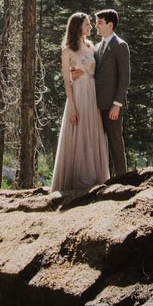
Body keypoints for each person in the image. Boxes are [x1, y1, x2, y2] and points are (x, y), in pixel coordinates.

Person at [50, 12, 109, 193]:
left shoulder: (92, 47)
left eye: (90, 24)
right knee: (78, 132)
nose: (90, 27)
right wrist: (72, 107)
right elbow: (66, 80)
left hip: (92, 94)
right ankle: (77, 179)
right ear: (77, 27)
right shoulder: (67, 50)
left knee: (92, 132)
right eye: (87, 24)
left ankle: (95, 177)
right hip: (77, 94)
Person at [93, 8, 130, 177]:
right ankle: (105, 178)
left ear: (110, 24)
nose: (96, 26)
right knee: (101, 144)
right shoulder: (97, 47)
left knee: (115, 141)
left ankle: (123, 178)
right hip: (97, 104)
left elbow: (124, 78)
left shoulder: (120, 46)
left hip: (113, 105)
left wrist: (117, 104)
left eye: (99, 22)